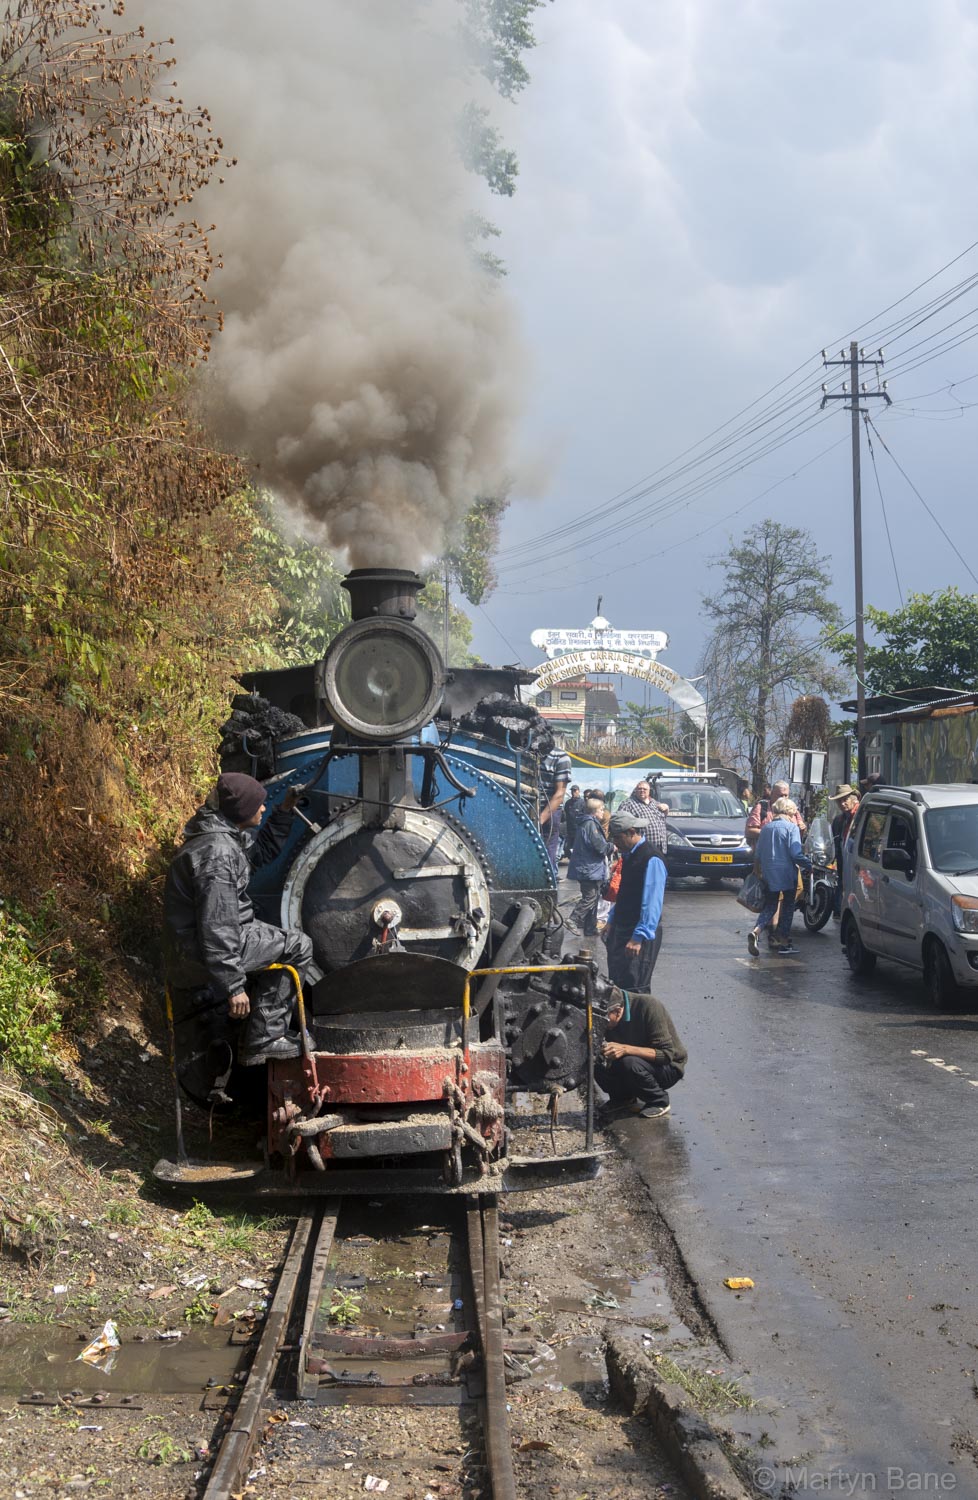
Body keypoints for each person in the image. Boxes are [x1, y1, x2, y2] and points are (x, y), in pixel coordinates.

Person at [163, 772, 315, 1067]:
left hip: (199, 944)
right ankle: (265, 1037)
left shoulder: (221, 840)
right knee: (298, 946)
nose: (263, 808)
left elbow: (259, 854)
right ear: (242, 809)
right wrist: (233, 985)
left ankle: (261, 1028)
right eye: (258, 804)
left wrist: (284, 811)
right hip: (198, 952)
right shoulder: (217, 854)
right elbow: (217, 926)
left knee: (279, 937)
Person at [595, 986, 686, 1120]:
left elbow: (666, 1055)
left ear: (618, 1011)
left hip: (667, 1067)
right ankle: (622, 1099)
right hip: (633, 1063)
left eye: (605, 1019)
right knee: (594, 1058)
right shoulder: (607, 1015)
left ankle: (658, 1100)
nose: (600, 1023)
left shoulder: (649, 1006)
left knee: (629, 1063)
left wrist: (625, 1049)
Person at [604, 811, 667, 989]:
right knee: (617, 983)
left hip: (638, 934)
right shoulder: (629, 855)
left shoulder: (651, 858)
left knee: (635, 985)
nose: (615, 843)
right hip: (622, 928)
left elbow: (652, 903)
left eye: (617, 838)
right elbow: (625, 893)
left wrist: (638, 937)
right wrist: (611, 920)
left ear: (631, 832)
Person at [747, 797, 813, 957]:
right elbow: (795, 854)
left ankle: (756, 930)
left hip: (769, 873)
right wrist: (809, 865)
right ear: (790, 812)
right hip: (787, 874)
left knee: (770, 905)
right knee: (788, 906)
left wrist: (758, 870)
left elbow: (758, 854)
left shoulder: (766, 829)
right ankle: (784, 942)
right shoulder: (792, 828)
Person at [566, 795, 615, 936]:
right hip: (589, 868)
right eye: (601, 809)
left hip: (590, 868)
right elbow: (600, 846)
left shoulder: (587, 823)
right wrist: (611, 847)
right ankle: (573, 919)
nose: (603, 812)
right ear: (595, 811)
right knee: (590, 897)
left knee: (594, 897)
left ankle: (590, 927)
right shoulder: (590, 825)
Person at [828, 782, 860, 920]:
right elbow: (835, 840)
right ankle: (838, 911)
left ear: (853, 799)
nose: (842, 803)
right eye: (839, 801)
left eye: (845, 799)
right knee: (842, 882)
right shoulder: (839, 820)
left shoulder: (861, 815)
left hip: (858, 859)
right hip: (843, 858)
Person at [539, 745, 572, 874]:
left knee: (547, 852)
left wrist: (540, 820)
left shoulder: (561, 757)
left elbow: (559, 795)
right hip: (525, 805)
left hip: (549, 810)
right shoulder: (521, 749)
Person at [616, 779, 668, 856]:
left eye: (645, 789)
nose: (642, 791)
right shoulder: (627, 804)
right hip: (641, 850)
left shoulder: (655, 803)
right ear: (636, 790)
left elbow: (663, 818)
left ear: (649, 791)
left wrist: (667, 809)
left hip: (660, 849)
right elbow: (620, 824)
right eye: (639, 789)